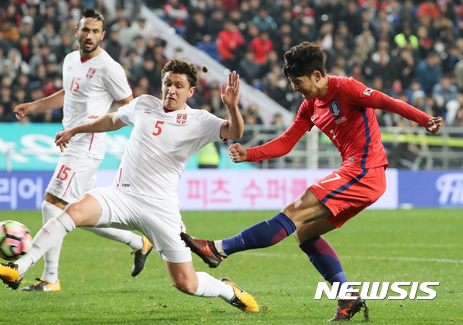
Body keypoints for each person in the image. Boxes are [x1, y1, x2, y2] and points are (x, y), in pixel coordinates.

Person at [180, 42, 443, 321]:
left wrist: (425, 119)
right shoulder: (310, 106)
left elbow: (386, 101)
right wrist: (249, 154)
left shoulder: (346, 88)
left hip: (365, 170)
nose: (295, 88)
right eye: (292, 82)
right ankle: (347, 295)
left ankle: (218, 249)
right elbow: (286, 142)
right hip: (358, 174)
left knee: (293, 211)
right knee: (303, 232)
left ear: (317, 75)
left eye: (298, 82)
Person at [0, 59, 259, 312]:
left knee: (186, 284)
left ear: (190, 91)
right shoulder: (144, 104)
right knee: (71, 211)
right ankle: (18, 268)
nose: (171, 90)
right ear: (162, 84)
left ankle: (227, 290)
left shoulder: (199, 120)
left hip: (160, 208)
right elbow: (112, 120)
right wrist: (74, 130)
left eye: (179, 86)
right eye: (168, 83)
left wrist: (232, 106)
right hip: (122, 195)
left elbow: (234, 132)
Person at [12, 8, 153, 292]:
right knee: (82, 215)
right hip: (71, 142)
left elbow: (129, 105)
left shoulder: (109, 67)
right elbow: (68, 94)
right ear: (76, 32)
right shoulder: (69, 60)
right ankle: (139, 242)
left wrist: (95, 122)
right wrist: (33, 106)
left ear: (103, 35)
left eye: (95, 31)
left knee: (51, 204)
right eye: (85, 30)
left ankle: (49, 278)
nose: (89, 35)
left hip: (87, 143)